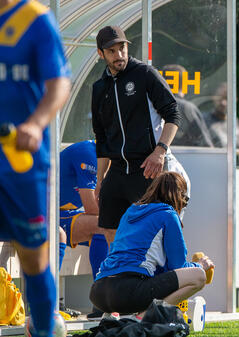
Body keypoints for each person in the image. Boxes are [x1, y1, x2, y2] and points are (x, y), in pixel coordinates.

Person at [0, 0, 71, 336]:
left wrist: (36, 124)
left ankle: (43, 329)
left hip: (20, 161)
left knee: (32, 256)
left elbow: (59, 83)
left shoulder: (36, 20)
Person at [91, 26, 181, 245]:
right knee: (110, 230)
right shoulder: (99, 88)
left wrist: (160, 151)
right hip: (118, 170)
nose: (119, 55)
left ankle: (162, 277)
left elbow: (173, 113)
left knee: (156, 233)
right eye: (111, 51)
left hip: (148, 167)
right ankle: (118, 277)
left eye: (122, 48)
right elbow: (101, 137)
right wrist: (100, 179)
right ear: (101, 54)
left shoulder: (145, 73)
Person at [89, 171, 214, 314]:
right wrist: (200, 265)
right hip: (128, 290)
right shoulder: (168, 215)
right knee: (198, 276)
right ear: (180, 197)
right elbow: (178, 266)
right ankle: (146, 318)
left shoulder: (130, 211)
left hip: (98, 291)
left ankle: (136, 317)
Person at [58, 140, 109, 318]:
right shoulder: (89, 152)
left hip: (66, 213)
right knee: (104, 226)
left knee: (115, 231)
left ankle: (111, 297)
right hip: (45, 214)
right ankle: (101, 300)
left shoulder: (112, 159)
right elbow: (91, 207)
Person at [162, 64, 214, 147]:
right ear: (184, 83)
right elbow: (206, 144)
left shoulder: (153, 106)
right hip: (186, 158)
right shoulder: (187, 108)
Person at [204, 82, 239, 150]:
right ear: (213, 97)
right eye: (220, 98)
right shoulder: (204, 121)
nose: (223, 103)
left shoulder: (235, 122)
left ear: (235, 100)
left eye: (226, 98)